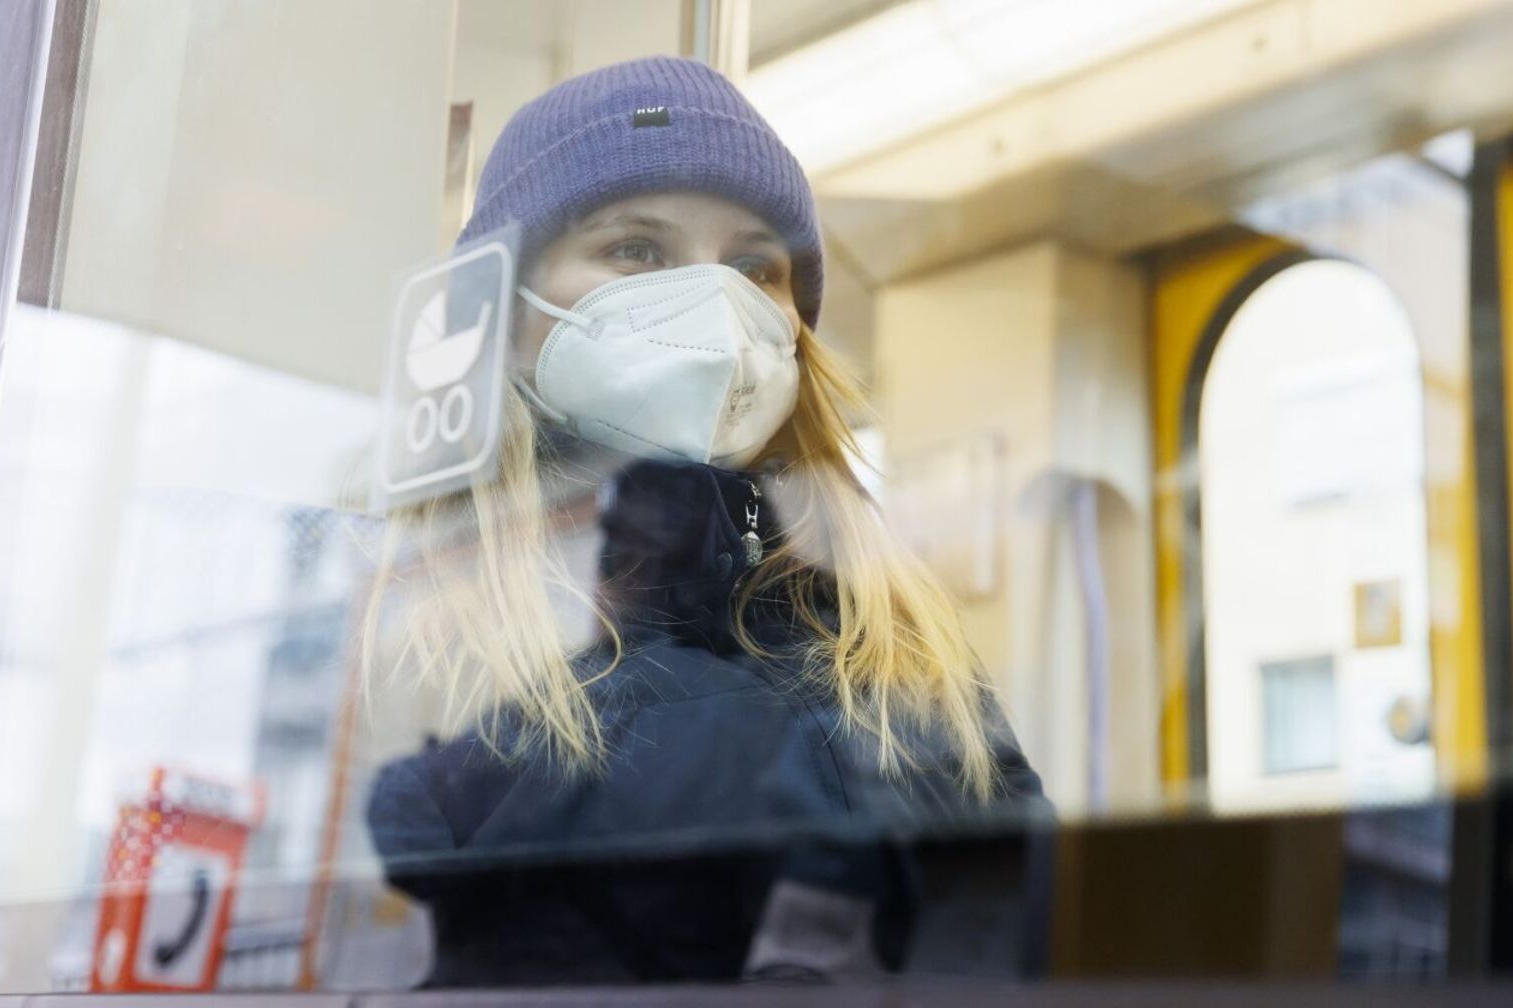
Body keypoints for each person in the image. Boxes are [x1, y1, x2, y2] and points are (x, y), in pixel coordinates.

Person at [363, 56, 1045, 986]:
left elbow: (1035, 941)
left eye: (752, 267)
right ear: (505, 314)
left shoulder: (896, 642)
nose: (714, 309)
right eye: (634, 250)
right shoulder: (415, 637)